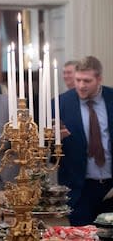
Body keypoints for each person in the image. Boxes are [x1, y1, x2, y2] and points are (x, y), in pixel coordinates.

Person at [58, 56, 113, 225]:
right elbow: (45, 149)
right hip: (79, 190)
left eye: (87, 81)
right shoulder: (61, 103)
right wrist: (53, 138)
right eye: (78, 80)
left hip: (110, 188)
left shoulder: (111, 98)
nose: (81, 85)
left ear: (99, 79)